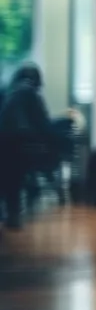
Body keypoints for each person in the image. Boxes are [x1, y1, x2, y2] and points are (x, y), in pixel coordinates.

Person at [0, 63, 56, 230]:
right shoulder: (31, 93)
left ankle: (9, 213)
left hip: (4, 141)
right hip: (22, 144)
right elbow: (44, 124)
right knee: (15, 179)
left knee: (6, 178)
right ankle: (14, 215)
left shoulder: (7, 92)